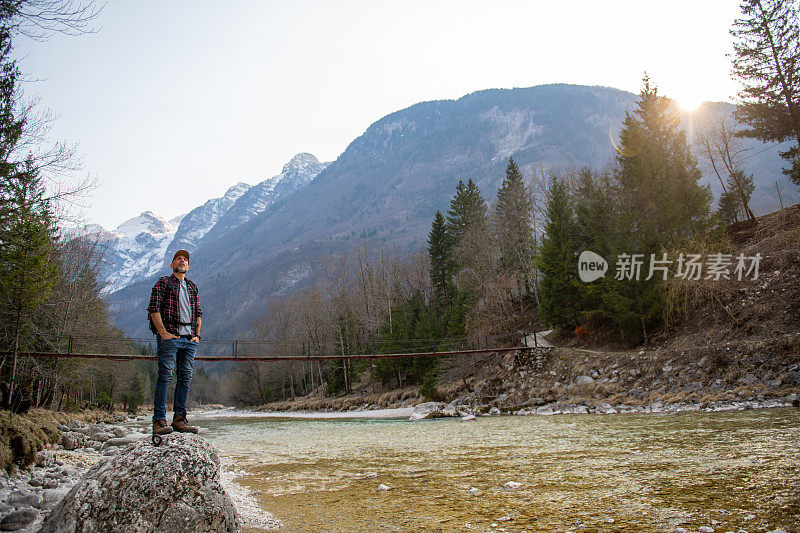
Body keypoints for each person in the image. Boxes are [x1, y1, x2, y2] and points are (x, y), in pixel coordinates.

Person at [147, 249, 202, 435]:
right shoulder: (163, 282)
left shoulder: (193, 286)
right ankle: (159, 420)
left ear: (188, 265)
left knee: (185, 378)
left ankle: (179, 419)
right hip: (171, 337)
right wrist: (163, 333)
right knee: (166, 376)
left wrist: (197, 335)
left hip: (189, 340)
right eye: (178, 258)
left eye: (185, 259)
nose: (182, 261)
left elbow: (198, 313)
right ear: (172, 264)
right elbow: (153, 309)